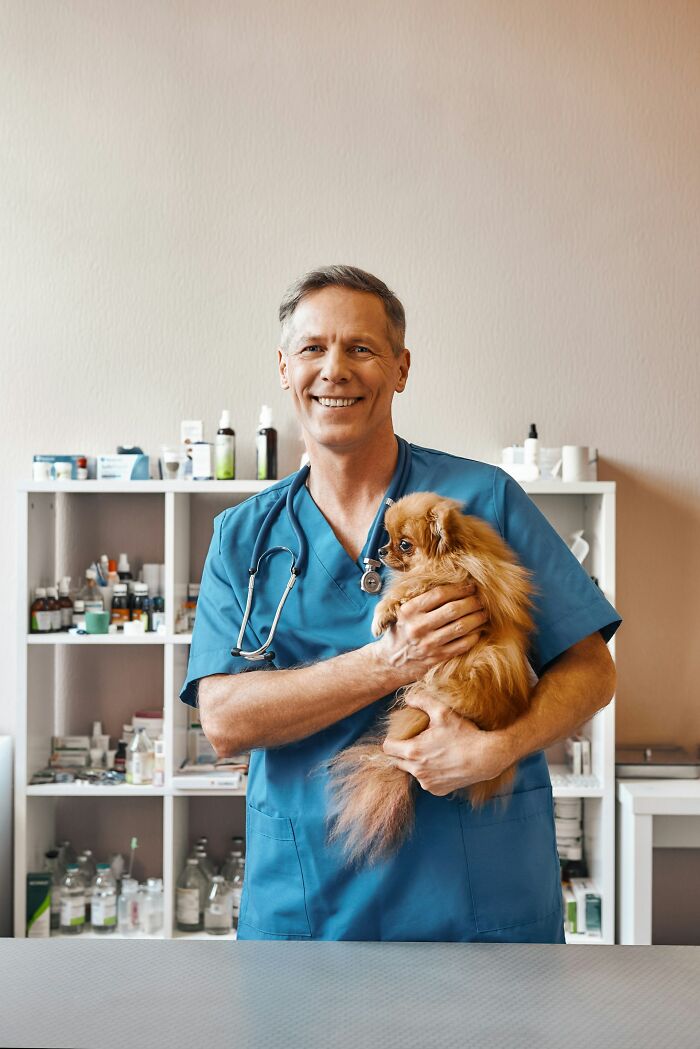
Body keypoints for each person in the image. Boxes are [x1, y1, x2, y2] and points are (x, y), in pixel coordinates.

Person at [180, 264, 621, 942]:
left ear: (401, 367)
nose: (335, 369)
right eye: (312, 349)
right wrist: (389, 661)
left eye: (360, 348)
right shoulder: (244, 537)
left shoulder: (484, 500)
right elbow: (225, 720)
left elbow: (594, 670)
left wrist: (498, 746)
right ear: (284, 368)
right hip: (310, 908)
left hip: (477, 900)